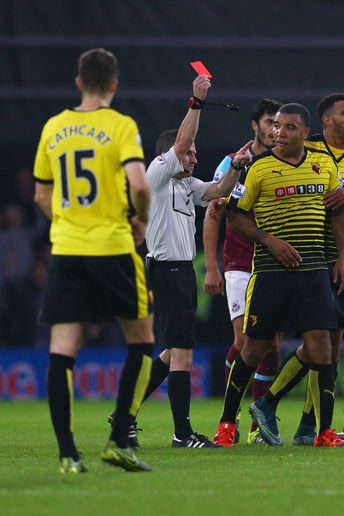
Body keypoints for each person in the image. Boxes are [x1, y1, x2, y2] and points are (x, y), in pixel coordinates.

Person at [248, 93, 344, 446]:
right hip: (302, 258)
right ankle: (270, 406)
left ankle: (305, 424)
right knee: (311, 344)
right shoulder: (305, 147)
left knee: (331, 347)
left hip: (336, 260)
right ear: (326, 121)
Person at [33, 48, 155, 472]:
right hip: (114, 247)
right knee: (141, 341)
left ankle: (68, 455)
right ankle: (118, 440)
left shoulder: (54, 127)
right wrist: (141, 218)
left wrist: (67, 222)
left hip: (67, 251)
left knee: (62, 350)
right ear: (114, 85)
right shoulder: (120, 125)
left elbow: (41, 195)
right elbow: (139, 182)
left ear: (79, 82)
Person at [212, 103, 344, 448]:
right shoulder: (258, 168)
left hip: (314, 269)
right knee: (254, 348)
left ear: (306, 133)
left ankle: (324, 431)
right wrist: (269, 240)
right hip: (272, 271)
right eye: (276, 126)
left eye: (289, 127)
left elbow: (337, 215)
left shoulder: (324, 166)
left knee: (322, 346)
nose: (279, 133)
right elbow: (235, 216)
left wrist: (343, 258)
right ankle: (227, 424)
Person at [134, 75, 251, 448]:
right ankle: (182, 434)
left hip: (181, 272)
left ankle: (125, 412)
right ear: (171, 155)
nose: (195, 157)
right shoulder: (158, 174)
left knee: (173, 351)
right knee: (182, 352)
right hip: (166, 270)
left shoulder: (186, 184)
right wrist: (196, 102)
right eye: (190, 153)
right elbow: (183, 140)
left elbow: (219, 190)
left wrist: (235, 163)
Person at [202, 98, 283, 445]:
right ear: (254, 125)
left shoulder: (286, 161)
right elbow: (213, 214)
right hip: (239, 264)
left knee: (272, 344)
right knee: (243, 341)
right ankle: (230, 421)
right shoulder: (234, 162)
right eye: (269, 122)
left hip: (274, 263)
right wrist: (211, 267)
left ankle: (258, 424)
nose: (275, 129)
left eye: (279, 123)